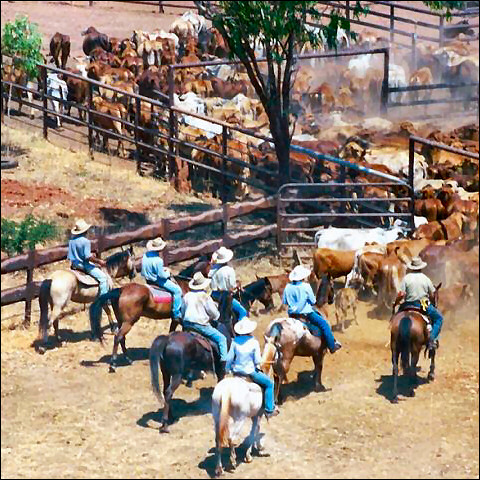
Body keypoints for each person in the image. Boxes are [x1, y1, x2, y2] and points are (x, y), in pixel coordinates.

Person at [225, 316, 280, 419]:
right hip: (250, 372)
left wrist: (227, 370)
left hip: (236, 372)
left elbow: (229, 358)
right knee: (269, 384)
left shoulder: (235, 341)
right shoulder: (254, 342)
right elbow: (258, 361)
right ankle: (269, 409)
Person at [283, 265, 342, 354]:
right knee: (324, 324)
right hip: (306, 314)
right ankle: (332, 346)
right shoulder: (306, 286)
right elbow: (313, 301)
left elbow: (285, 301)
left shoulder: (287, 287)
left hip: (292, 315)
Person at [181, 272, 228, 376]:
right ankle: (224, 365)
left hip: (187, 324)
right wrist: (215, 317)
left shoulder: (187, 296)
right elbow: (214, 314)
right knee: (222, 339)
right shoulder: (205, 297)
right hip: (200, 325)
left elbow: (182, 311)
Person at [393, 256, 443, 350]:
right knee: (439, 318)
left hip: (407, 304)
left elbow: (401, 294)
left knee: (396, 317)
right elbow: (432, 294)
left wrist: (395, 303)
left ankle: (395, 337)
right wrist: (432, 303)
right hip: (423, 304)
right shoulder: (426, 279)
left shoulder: (406, 278)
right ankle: (432, 340)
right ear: (421, 267)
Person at [141, 237, 182, 322]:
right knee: (178, 290)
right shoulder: (158, 260)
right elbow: (162, 275)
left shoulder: (145, 255)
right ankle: (176, 313)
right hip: (157, 281)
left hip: (147, 279)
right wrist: (168, 272)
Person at [67, 219, 110, 298]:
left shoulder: (71, 241)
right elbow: (88, 257)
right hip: (83, 265)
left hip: (74, 264)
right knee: (103, 278)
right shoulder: (85, 241)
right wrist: (99, 261)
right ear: (85, 231)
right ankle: (104, 299)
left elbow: (70, 256)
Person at [208, 246, 248, 323]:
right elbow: (232, 286)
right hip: (225, 296)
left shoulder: (212, 269)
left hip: (214, 295)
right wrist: (237, 285)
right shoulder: (229, 270)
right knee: (242, 311)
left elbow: (212, 286)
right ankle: (239, 328)